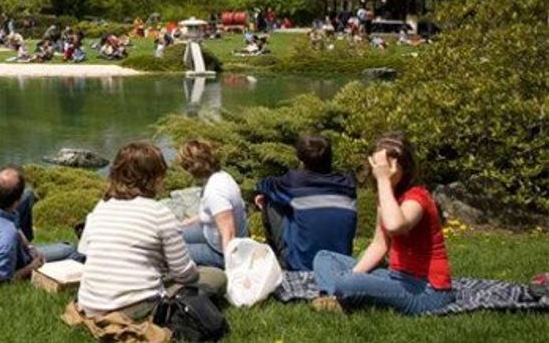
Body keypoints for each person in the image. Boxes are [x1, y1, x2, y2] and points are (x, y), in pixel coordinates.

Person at [76, 142, 225, 319]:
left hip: (90, 305)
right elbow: (184, 274)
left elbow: (83, 251)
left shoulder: (101, 206)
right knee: (217, 277)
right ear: (154, 178)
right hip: (134, 306)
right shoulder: (159, 213)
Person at [312, 133, 453, 315]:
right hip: (396, 277)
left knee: (346, 282)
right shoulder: (387, 196)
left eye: (386, 166)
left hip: (427, 290)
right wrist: (354, 274)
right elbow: (380, 244)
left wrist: (384, 181)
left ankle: (340, 292)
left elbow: (396, 226)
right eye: (378, 166)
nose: (380, 170)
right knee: (325, 258)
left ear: (403, 166)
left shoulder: (418, 197)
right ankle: (335, 297)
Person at [254, 134, 357, 271]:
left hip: (302, 264)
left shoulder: (294, 182)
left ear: (301, 159)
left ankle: (278, 262)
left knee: (270, 199)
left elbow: (264, 185)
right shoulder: (348, 184)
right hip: (340, 263)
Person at [0, 166, 75, 283]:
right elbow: (0, 279)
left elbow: (12, 228)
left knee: (29, 195)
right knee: (69, 248)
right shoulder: (7, 236)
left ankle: (27, 248)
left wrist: (29, 247)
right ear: (15, 202)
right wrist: (32, 267)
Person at [177, 139, 247, 268]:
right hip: (210, 235)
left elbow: (229, 234)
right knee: (172, 235)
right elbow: (216, 214)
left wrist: (233, 272)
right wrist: (187, 222)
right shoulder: (222, 176)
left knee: (170, 252)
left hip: (220, 252)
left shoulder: (215, 192)